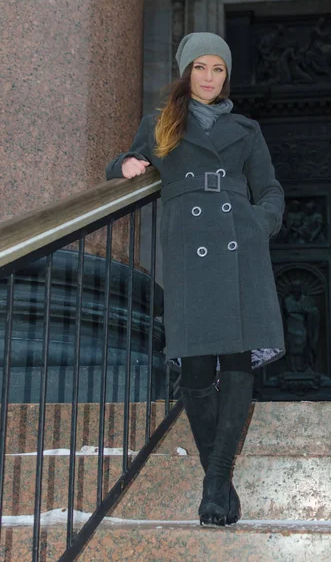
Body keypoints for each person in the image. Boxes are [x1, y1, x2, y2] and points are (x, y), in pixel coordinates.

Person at [106, 32, 286, 527]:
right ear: (186, 73)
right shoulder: (161, 123)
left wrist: (260, 222)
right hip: (190, 251)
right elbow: (116, 164)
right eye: (201, 68)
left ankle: (214, 481)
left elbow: (270, 187)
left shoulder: (246, 128)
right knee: (196, 372)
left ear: (227, 76)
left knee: (237, 361)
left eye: (219, 69)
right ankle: (219, 477)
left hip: (238, 246)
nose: (209, 78)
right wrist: (127, 163)